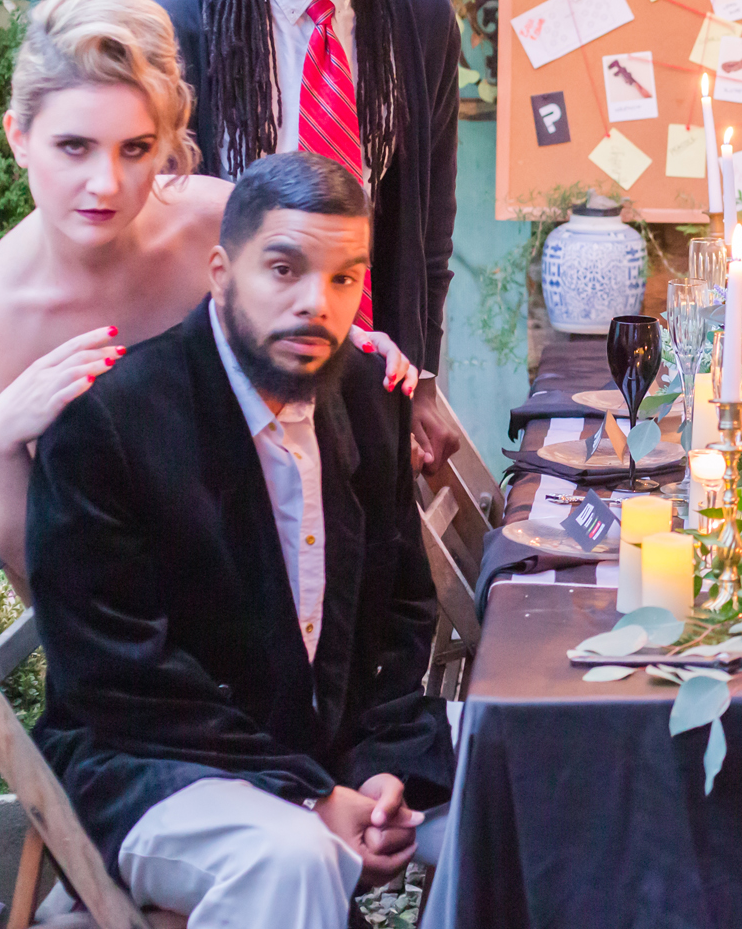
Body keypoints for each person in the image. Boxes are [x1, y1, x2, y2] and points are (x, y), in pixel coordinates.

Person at [26, 152, 453, 927]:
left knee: (510, 792)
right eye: (283, 269)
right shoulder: (110, 422)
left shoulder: (367, 394)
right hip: (150, 760)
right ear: (221, 272)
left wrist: (381, 767)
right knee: (294, 855)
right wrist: (310, 793)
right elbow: (120, 678)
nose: (316, 303)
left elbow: (402, 609)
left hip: (323, 747)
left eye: (343, 278)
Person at [0, 0, 413, 580]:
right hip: (127, 607)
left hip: (277, 570)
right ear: (19, 138)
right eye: (74, 147)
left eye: (135, 148)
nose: (105, 184)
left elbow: (315, 322)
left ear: (165, 143)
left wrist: (346, 351)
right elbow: (37, 574)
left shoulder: (216, 220)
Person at [151, 0, 462, 473]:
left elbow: (427, 225)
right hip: (231, 369)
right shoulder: (183, 20)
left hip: (372, 363)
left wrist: (422, 381)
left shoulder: (416, 13)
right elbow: (160, 223)